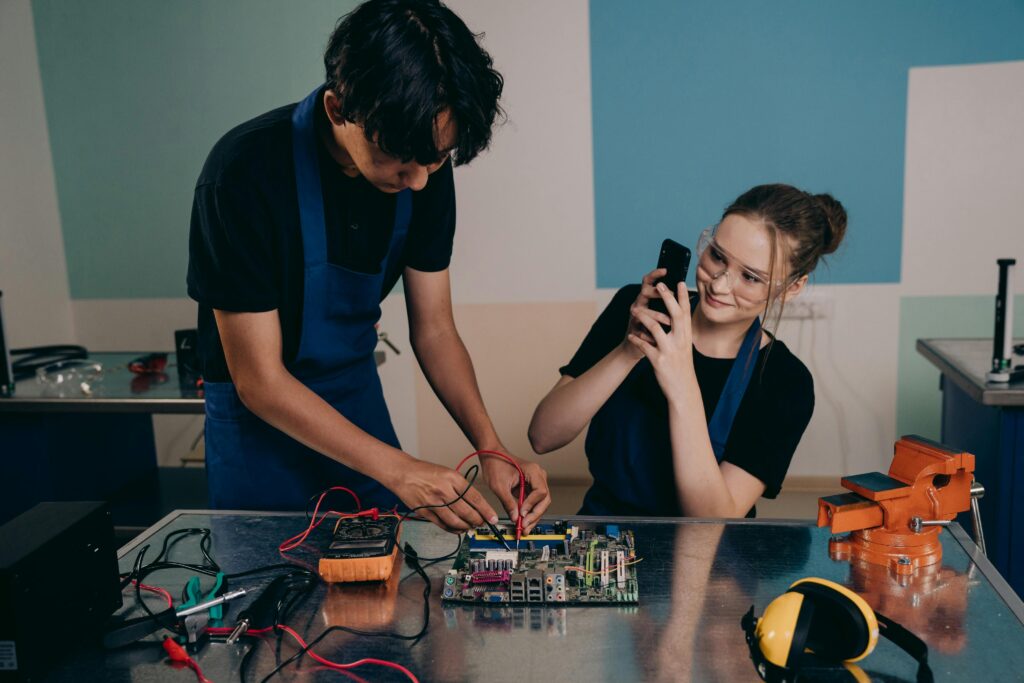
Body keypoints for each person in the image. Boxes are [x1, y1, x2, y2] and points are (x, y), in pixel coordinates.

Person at [187, 0, 549, 532]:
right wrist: (401, 470)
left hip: (354, 399)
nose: (421, 180)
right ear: (338, 110)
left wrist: (490, 445)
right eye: (401, 162)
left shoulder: (422, 161)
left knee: (382, 596)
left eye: (436, 161)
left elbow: (435, 328)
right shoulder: (242, 175)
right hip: (257, 426)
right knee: (265, 594)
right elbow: (260, 381)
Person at [528, 184, 847, 517]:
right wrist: (629, 349)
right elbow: (543, 435)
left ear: (792, 287)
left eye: (750, 277)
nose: (719, 284)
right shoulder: (635, 306)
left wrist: (682, 386)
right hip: (604, 541)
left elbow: (712, 520)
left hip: (704, 558)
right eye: (717, 256)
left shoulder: (785, 381)